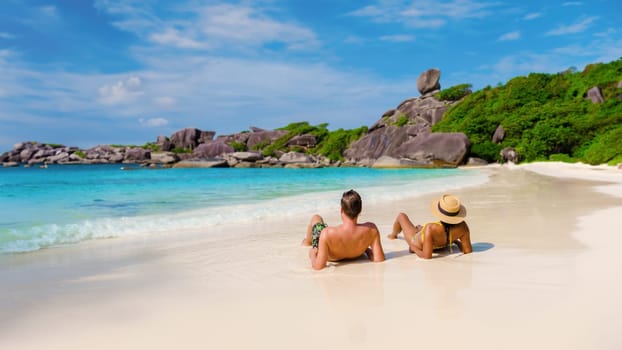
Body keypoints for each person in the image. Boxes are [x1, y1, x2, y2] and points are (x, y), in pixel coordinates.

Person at [302, 189, 385, 270]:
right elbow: (379, 259)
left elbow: (318, 266)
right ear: (360, 211)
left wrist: (312, 255)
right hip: (356, 254)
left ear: (341, 210)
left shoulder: (327, 233)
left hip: (332, 257)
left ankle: (307, 242)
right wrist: (366, 250)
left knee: (316, 218)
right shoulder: (371, 229)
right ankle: (307, 241)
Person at [388, 194, 472, 259]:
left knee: (401, 216)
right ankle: (420, 230)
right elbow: (467, 251)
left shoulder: (431, 228)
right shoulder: (463, 227)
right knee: (421, 228)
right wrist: (455, 241)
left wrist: (414, 248)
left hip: (419, 244)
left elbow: (426, 256)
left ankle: (393, 235)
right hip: (442, 243)